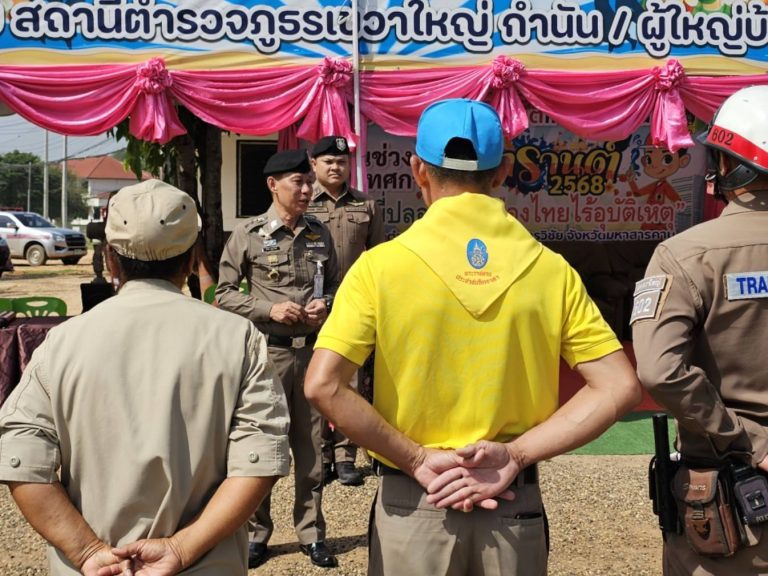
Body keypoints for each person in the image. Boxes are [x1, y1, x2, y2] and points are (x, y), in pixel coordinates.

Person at [305, 98, 642, 576]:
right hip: (511, 501)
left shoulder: (380, 267)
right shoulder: (549, 270)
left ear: (418, 169)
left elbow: (324, 385)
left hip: (414, 500)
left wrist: (416, 458)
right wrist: (517, 454)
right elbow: (620, 386)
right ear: (502, 172)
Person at [0, 179, 291, 575]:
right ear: (191, 259)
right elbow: (258, 463)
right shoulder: (238, 339)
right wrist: (181, 548)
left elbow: (21, 459)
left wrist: (88, 551)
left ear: (111, 259)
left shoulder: (63, 343)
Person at [632, 85, 768, 575]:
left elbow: (659, 370)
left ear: (731, 165)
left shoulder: (685, 255)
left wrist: (748, 440)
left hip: (735, 514)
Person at [216, 149, 341, 569]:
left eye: (309, 182)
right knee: (262, 445)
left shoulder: (320, 233)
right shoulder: (249, 234)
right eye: (298, 182)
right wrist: (268, 309)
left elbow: (336, 284)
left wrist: (326, 304)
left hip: (312, 356)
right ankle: (256, 534)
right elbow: (223, 293)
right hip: (268, 355)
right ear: (273, 185)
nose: (307, 190)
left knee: (312, 449)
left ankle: (312, 533)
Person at [308, 135, 386, 487]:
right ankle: (320, 454)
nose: (336, 167)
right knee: (315, 378)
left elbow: (380, 255)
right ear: (314, 165)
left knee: (350, 380)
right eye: (328, 161)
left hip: (353, 305)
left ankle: (345, 455)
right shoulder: (303, 202)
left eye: (341, 162)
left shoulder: (366, 205)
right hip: (312, 304)